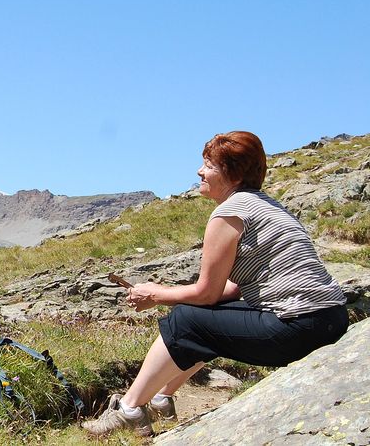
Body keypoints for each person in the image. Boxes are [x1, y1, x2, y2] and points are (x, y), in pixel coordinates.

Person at [82, 131, 348, 437]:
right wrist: (167, 294)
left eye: (209, 164)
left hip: (297, 327)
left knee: (186, 320)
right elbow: (230, 290)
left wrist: (156, 293)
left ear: (232, 173)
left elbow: (206, 293)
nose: (200, 171)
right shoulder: (262, 205)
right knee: (209, 315)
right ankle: (160, 398)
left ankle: (128, 410)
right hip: (329, 319)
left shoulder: (229, 213)